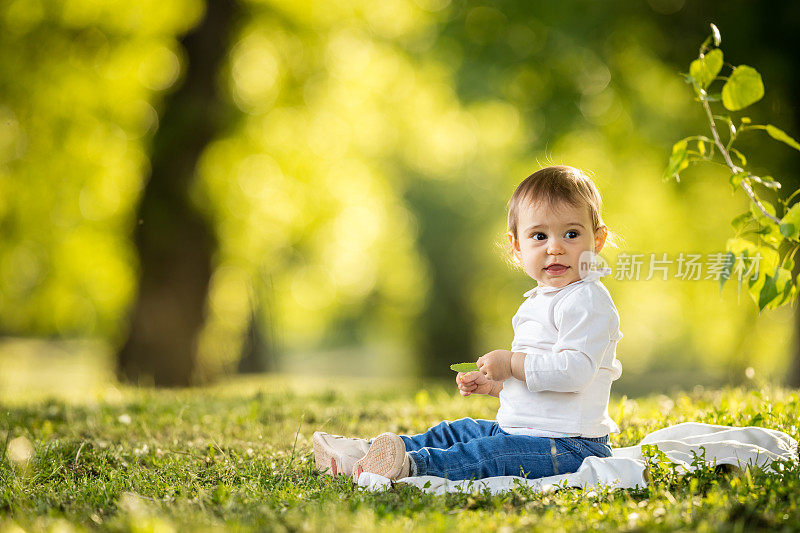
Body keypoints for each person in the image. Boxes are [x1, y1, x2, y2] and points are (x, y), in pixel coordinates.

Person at [313, 165, 623, 482]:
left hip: (572, 447)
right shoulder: (539, 300)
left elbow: (574, 372)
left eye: (571, 234)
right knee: (458, 431)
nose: (555, 247)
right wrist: (499, 386)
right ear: (518, 246)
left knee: (492, 454)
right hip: (528, 432)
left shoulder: (588, 301)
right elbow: (541, 379)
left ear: (597, 241)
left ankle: (410, 466)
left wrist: (513, 363)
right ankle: (367, 453)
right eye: (539, 236)